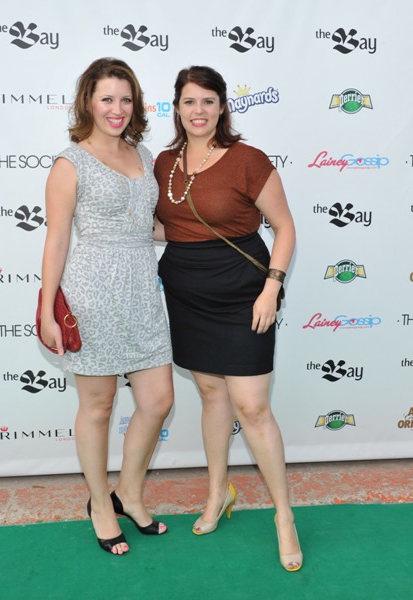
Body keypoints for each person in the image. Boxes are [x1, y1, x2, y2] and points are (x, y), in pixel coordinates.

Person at [154, 65, 301, 571]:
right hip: (187, 295)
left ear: (221, 107)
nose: (198, 111)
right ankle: (218, 492)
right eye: (189, 101)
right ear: (177, 107)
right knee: (212, 394)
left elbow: (285, 228)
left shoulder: (247, 160)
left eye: (208, 101)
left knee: (253, 407)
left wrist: (271, 289)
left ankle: (284, 516)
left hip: (244, 294)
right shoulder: (164, 162)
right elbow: (170, 226)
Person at [40, 57, 174, 556]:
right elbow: (57, 240)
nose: (117, 108)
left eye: (125, 99)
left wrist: (210, 229)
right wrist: (48, 311)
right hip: (92, 292)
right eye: (106, 99)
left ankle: (129, 494)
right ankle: (100, 503)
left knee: (158, 401)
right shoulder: (69, 163)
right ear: (88, 103)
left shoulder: (143, 153)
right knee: (97, 408)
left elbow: (149, 225)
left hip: (142, 290)